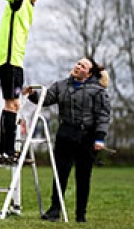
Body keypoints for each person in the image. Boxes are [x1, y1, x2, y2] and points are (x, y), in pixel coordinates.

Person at [24, 58, 111, 223]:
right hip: (65, 134)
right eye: (78, 64)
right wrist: (33, 95)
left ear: (89, 73)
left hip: (87, 137)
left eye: (83, 66)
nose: (78, 67)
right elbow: (46, 99)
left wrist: (100, 138)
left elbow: (103, 115)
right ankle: (54, 211)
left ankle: (80, 215)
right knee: (60, 174)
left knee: (83, 176)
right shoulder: (61, 85)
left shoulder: (98, 91)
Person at [0, 0, 48, 165]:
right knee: (11, 104)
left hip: (17, 62)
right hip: (7, 61)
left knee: (15, 105)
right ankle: (4, 152)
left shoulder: (31, 7)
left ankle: (8, 151)